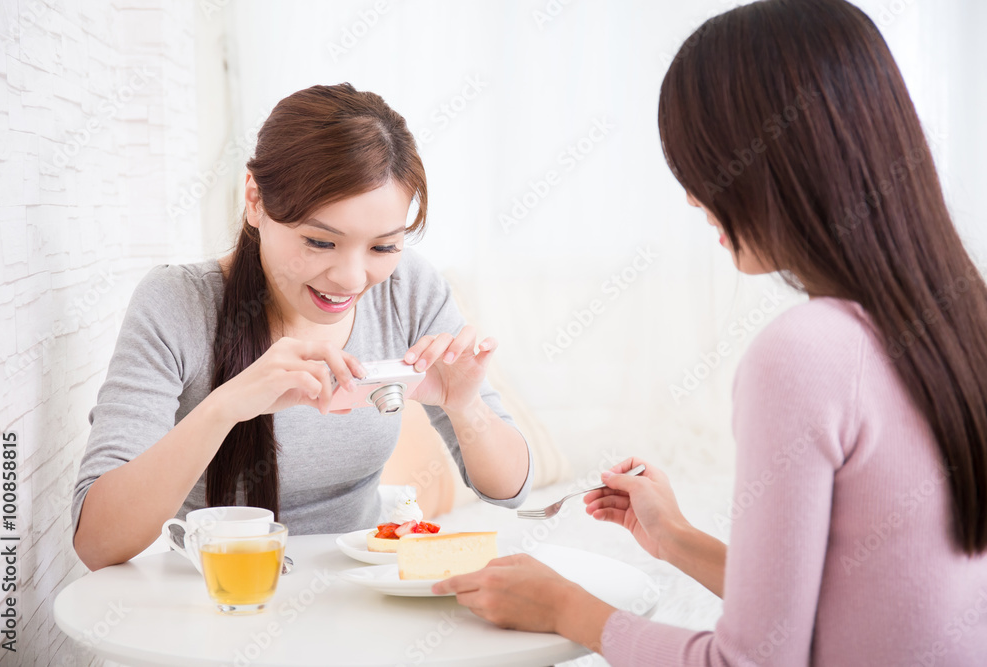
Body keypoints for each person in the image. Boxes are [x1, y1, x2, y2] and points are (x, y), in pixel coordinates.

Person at [433, 1, 987, 664]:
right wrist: (675, 538)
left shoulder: (805, 351)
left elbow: (749, 661)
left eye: (703, 165)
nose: (694, 199)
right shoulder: (963, 322)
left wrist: (567, 609)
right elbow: (855, 602)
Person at [72, 83, 532, 571]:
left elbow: (510, 490)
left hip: (364, 596)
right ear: (255, 200)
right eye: (320, 241)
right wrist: (227, 406)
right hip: (225, 600)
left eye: (383, 247)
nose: (352, 278)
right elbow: (98, 542)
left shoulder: (408, 289)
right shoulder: (177, 303)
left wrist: (468, 409)